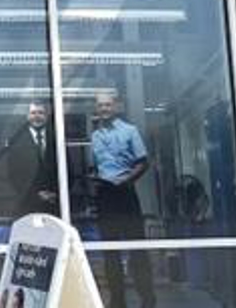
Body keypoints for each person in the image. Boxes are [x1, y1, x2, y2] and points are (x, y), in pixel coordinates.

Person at [90, 91, 155, 308]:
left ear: (116, 106)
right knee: (110, 253)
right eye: (100, 105)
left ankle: (148, 300)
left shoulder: (130, 131)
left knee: (137, 251)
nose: (104, 109)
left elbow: (143, 163)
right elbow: (95, 166)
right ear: (96, 108)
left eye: (108, 105)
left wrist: (126, 181)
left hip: (126, 195)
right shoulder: (95, 136)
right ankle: (117, 302)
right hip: (105, 197)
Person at [6, 101, 58, 217]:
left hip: (54, 205)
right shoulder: (17, 142)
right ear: (27, 116)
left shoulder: (56, 139)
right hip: (27, 205)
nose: (37, 116)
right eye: (33, 113)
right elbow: (13, 175)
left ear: (46, 116)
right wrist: (36, 195)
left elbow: (68, 171)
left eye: (40, 113)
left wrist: (55, 194)